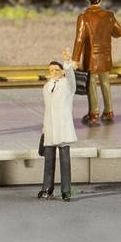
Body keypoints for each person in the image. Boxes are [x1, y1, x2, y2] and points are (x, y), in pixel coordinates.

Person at [71, 0, 121, 125]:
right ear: (100, 0)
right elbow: (119, 32)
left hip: (92, 57)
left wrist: (75, 59)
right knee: (105, 83)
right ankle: (109, 111)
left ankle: (94, 113)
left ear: (89, 0)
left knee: (91, 84)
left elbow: (79, 39)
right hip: (105, 55)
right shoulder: (109, 16)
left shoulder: (84, 17)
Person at [36, 59, 76, 201]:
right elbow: (47, 109)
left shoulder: (68, 85)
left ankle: (66, 190)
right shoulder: (47, 86)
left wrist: (67, 64)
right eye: (51, 70)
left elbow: (71, 76)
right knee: (48, 161)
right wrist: (45, 127)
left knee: (65, 162)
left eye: (57, 70)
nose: (54, 73)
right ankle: (47, 188)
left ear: (62, 71)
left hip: (63, 127)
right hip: (50, 127)